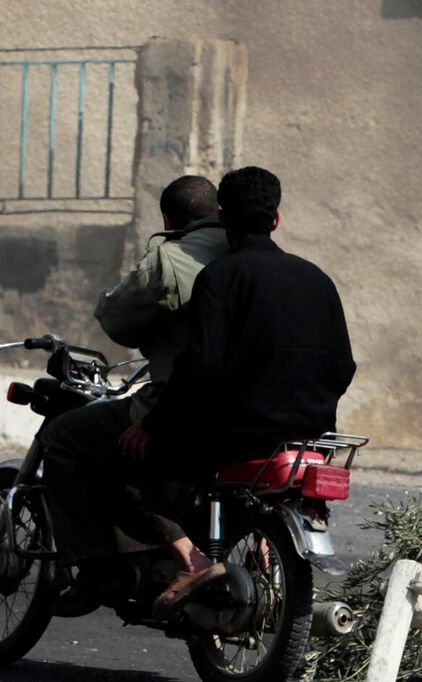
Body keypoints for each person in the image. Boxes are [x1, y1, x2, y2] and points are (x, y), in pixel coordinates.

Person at [130, 165, 357, 615]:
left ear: (223, 219)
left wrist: (152, 425)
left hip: (239, 434)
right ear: (276, 219)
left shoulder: (221, 276)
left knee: (127, 461)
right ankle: (260, 552)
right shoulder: (318, 279)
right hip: (311, 434)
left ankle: (190, 560)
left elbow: (199, 366)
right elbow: (344, 366)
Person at [38, 175, 228, 567]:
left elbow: (118, 320)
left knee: (66, 436)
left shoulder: (171, 259)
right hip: (256, 412)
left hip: (184, 404)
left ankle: (93, 566)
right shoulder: (250, 257)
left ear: (167, 217)